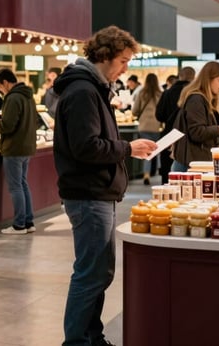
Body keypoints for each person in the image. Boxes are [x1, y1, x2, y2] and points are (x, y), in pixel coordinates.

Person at [52, 25, 158, 346]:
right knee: (90, 274)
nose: (126, 69)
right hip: (88, 195)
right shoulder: (83, 91)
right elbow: (87, 147)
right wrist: (129, 148)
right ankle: (77, 342)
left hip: (98, 193)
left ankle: (91, 336)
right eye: (123, 61)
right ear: (105, 56)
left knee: (99, 273)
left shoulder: (94, 88)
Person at [0, 68, 38, 235]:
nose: (0, 90)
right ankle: (28, 222)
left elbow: (8, 125)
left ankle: (19, 225)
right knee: (23, 184)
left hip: (14, 148)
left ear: (6, 83)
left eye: (0, 86)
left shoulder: (13, 97)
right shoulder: (28, 95)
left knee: (16, 187)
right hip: (26, 146)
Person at [171, 62, 219, 172]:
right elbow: (197, 132)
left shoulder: (206, 100)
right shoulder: (196, 99)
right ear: (208, 79)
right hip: (190, 165)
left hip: (196, 162)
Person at [155, 66, 195, 184]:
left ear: (179, 76)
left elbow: (159, 115)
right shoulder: (194, 93)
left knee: (167, 168)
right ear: (193, 77)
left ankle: (166, 192)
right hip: (189, 136)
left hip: (169, 134)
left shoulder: (167, 93)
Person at [131, 73, 162, 185]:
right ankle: (158, 170)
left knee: (147, 151)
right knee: (157, 150)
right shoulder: (160, 94)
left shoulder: (141, 93)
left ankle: (146, 174)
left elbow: (134, 111)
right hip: (157, 127)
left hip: (144, 126)